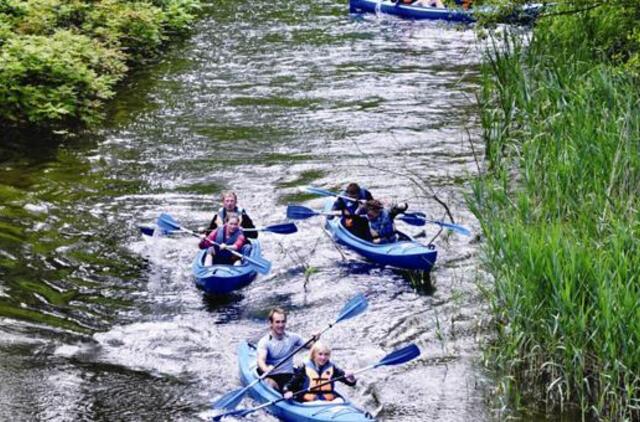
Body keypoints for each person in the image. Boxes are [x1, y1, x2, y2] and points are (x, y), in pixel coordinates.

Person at [257, 308, 320, 392]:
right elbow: (260, 360)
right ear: (271, 323)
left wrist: (315, 339)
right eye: (277, 322)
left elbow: (311, 346)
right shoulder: (265, 342)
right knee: (268, 383)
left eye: (283, 322)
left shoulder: (293, 337)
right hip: (272, 377)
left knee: (303, 379)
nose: (281, 325)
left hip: (289, 377)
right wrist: (266, 369)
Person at [283, 342, 356, 402]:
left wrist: (351, 378)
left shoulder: (332, 368)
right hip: (309, 402)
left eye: (326, 354)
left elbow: (351, 383)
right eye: (320, 354)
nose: (323, 358)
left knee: (340, 400)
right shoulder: (304, 367)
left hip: (328, 401)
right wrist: (287, 392)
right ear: (314, 354)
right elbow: (290, 385)